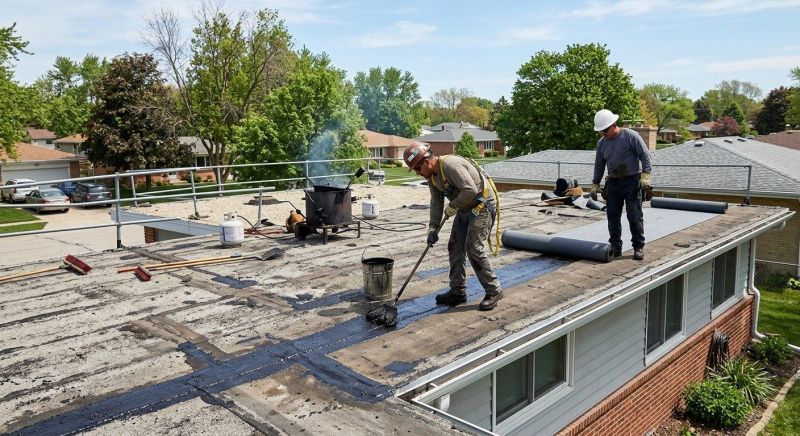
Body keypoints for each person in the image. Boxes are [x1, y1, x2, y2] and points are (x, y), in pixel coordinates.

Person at [403, 142, 503, 311]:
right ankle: (458, 292)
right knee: (455, 246)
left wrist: (453, 206)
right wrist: (432, 228)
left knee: (474, 248)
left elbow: (470, 190)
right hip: (464, 207)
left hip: (482, 206)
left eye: (417, 169)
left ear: (426, 162)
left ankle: (494, 291)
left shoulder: (450, 165)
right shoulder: (432, 177)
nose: (418, 173)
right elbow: (436, 202)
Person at [590, 109, 652, 261]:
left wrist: (645, 176)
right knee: (613, 217)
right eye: (601, 131)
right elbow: (599, 164)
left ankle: (638, 247)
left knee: (634, 216)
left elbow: (644, 155)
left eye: (605, 130)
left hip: (632, 181)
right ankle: (616, 247)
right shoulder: (602, 143)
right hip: (613, 182)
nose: (603, 133)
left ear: (614, 125)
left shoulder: (631, 136)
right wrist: (595, 184)